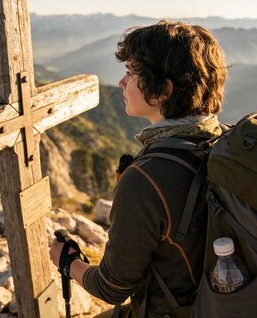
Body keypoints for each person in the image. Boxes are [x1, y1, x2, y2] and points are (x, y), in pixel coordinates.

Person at [50, 20, 228, 317]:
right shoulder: (223, 143)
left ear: (162, 92)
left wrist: (68, 262)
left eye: (131, 73)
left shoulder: (146, 178)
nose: (121, 82)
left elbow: (112, 287)